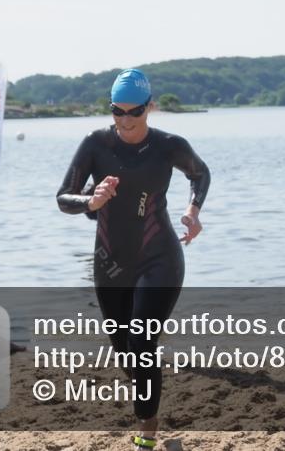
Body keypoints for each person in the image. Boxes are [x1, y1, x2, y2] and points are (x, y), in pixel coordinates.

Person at [56, 68, 210, 449]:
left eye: (134, 112)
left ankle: (147, 435)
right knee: (126, 351)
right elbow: (63, 197)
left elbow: (200, 173)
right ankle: (151, 411)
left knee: (141, 341)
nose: (125, 120)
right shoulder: (95, 144)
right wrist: (91, 201)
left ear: (150, 108)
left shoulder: (168, 145)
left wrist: (193, 210)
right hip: (110, 263)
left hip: (159, 258)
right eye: (117, 111)